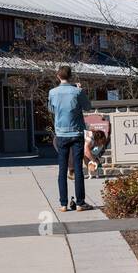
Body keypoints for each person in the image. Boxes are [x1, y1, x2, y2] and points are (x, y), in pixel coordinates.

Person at [48, 66, 93, 211]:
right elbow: (87, 107)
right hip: (77, 133)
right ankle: (80, 203)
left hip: (61, 134)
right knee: (78, 169)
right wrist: (80, 90)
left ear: (58, 76)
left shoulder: (52, 92)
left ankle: (63, 204)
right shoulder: (77, 91)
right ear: (71, 76)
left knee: (62, 169)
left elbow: (51, 109)